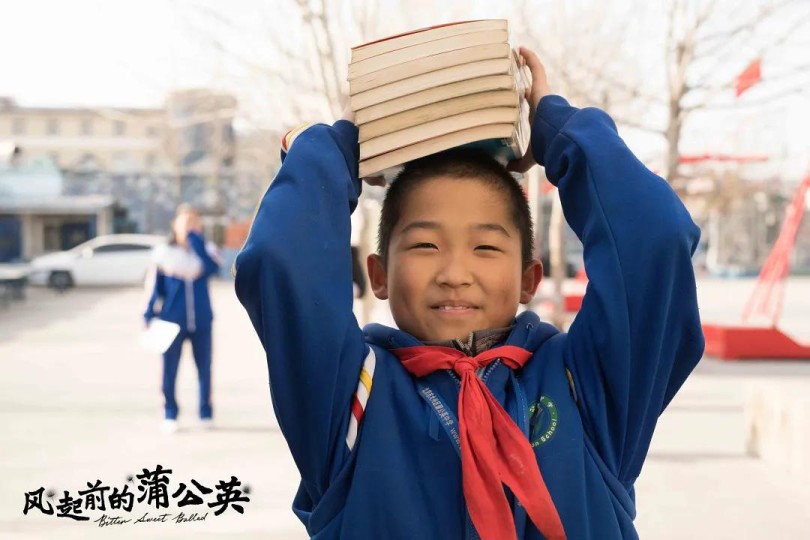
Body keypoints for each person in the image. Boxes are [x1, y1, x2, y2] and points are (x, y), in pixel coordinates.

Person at [234, 48, 703, 539]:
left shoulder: (586, 385)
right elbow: (281, 259)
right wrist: (339, 148)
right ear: (379, 274)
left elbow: (654, 240)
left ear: (529, 278)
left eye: (485, 247)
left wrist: (560, 134)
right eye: (425, 245)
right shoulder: (349, 395)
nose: (455, 273)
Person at [144, 204, 221, 433]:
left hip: (202, 321)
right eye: (185, 222)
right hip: (171, 321)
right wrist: (149, 315)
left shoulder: (207, 250)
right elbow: (154, 289)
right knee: (169, 369)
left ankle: (205, 412)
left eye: (194, 223)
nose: (190, 227)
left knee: (204, 369)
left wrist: (197, 243)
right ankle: (170, 413)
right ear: (175, 225)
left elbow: (212, 269)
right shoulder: (163, 253)